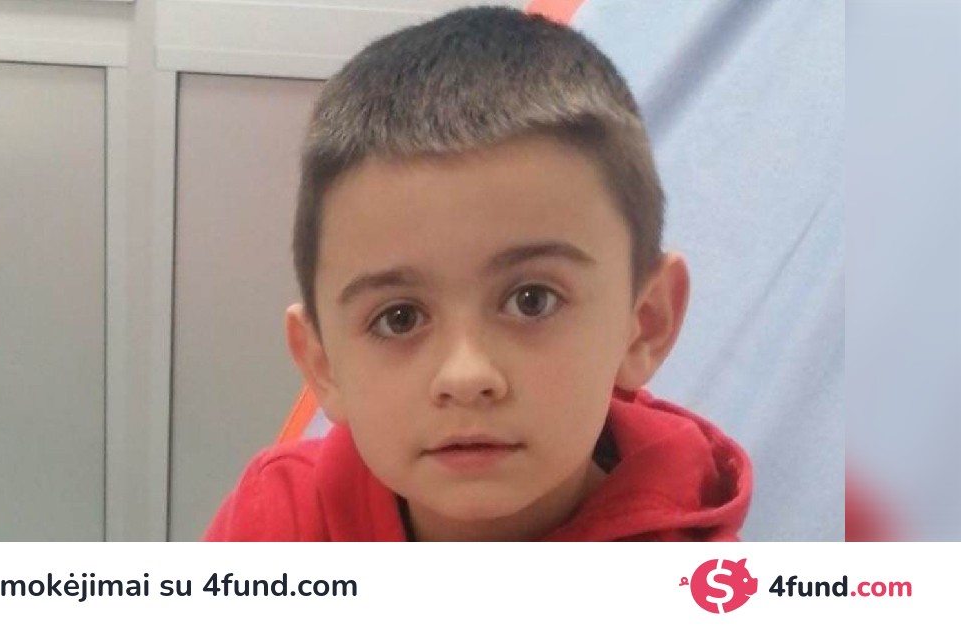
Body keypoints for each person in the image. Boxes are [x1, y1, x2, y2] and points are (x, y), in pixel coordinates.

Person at [205, 6, 751, 542]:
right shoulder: (276, 525)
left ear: (645, 323)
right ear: (323, 365)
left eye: (532, 300)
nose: (466, 376)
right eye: (399, 318)